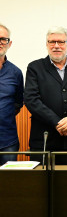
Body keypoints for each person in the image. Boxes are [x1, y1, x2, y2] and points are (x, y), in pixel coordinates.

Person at [24, 26, 67, 164]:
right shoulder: (35, 67)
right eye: (52, 42)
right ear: (47, 45)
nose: (56, 46)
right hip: (44, 141)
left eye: (61, 42)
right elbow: (31, 100)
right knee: (40, 184)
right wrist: (58, 122)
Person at [0, 24, 24, 165]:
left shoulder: (16, 73)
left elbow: (17, 104)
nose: (0, 43)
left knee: (8, 184)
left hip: (7, 142)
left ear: (10, 43)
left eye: (3, 39)